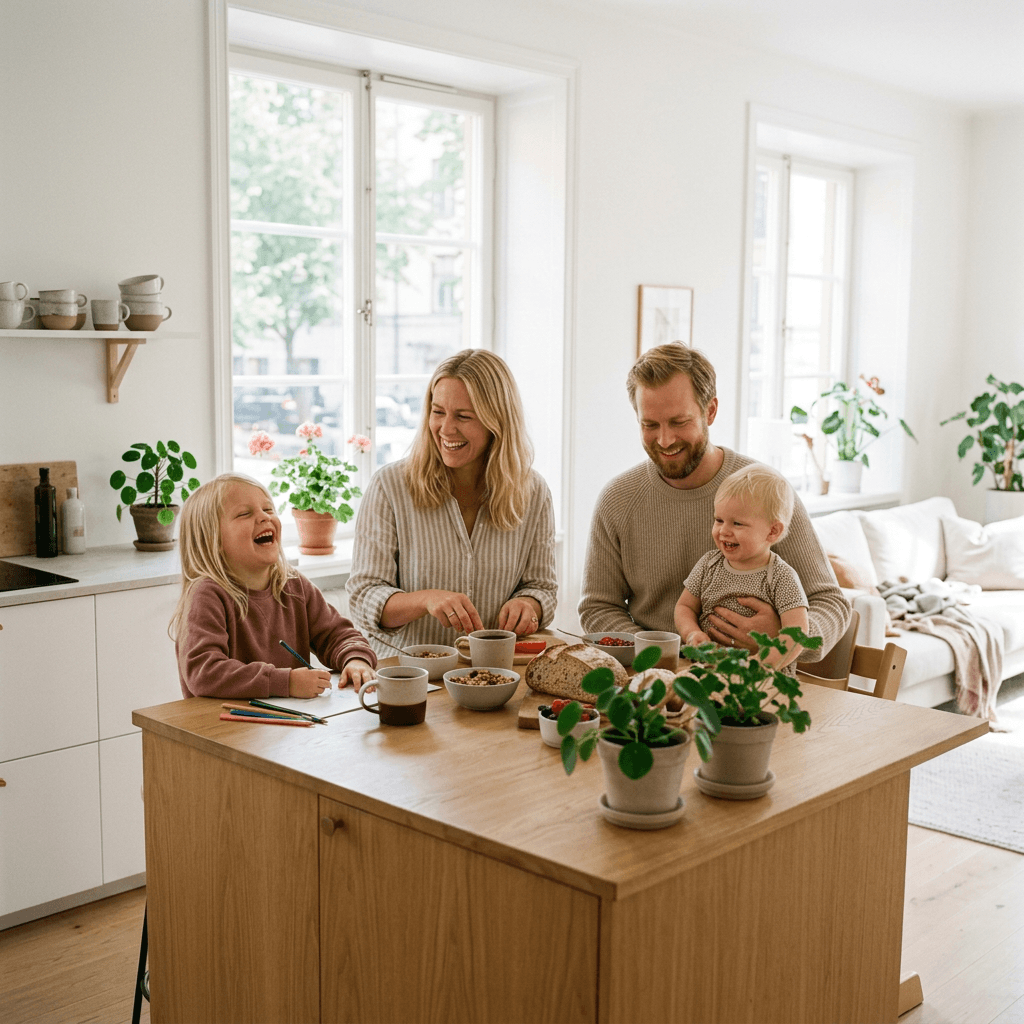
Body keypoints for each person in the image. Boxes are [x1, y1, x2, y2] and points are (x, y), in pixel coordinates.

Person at [579, 343, 849, 661]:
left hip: (753, 681)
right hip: (655, 678)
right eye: (650, 425)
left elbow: (830, 603)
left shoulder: (766, 492)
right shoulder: (617, 499)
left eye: (679, 422)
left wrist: (781, 639)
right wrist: (661, 656)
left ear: (710, 411)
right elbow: (599, 608)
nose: (665, 440)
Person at [347, 349, 557, 655]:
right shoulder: (389, 486)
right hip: (410, 672)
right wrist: (425, 600)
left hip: (493, 670)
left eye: (463, 416)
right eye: (438, 412)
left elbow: (543, 588)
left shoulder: (533, 491)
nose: (446, 429)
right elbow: (363, 598)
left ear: (497, 421)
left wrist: (529, 604)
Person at [171, 474, 377, 699]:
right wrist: (285, 682)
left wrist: (355, 658)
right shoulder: (206, 595)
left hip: (289, 718)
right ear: (212, 540)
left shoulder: (293, 583)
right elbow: (204, 672)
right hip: (224, 720)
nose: (264, 517)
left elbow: (337, 634)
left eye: (268, 509)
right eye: (244, 514)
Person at [674, 464, 809, 671]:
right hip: (707, 671)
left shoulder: (781, 576)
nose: (723, 531)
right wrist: (692, 633)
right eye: (719, 520)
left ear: (772, 531)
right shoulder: (708, 564)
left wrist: (759, 666)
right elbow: (685, 607)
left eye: (737, 523)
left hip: (760, 679)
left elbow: (796, 635)